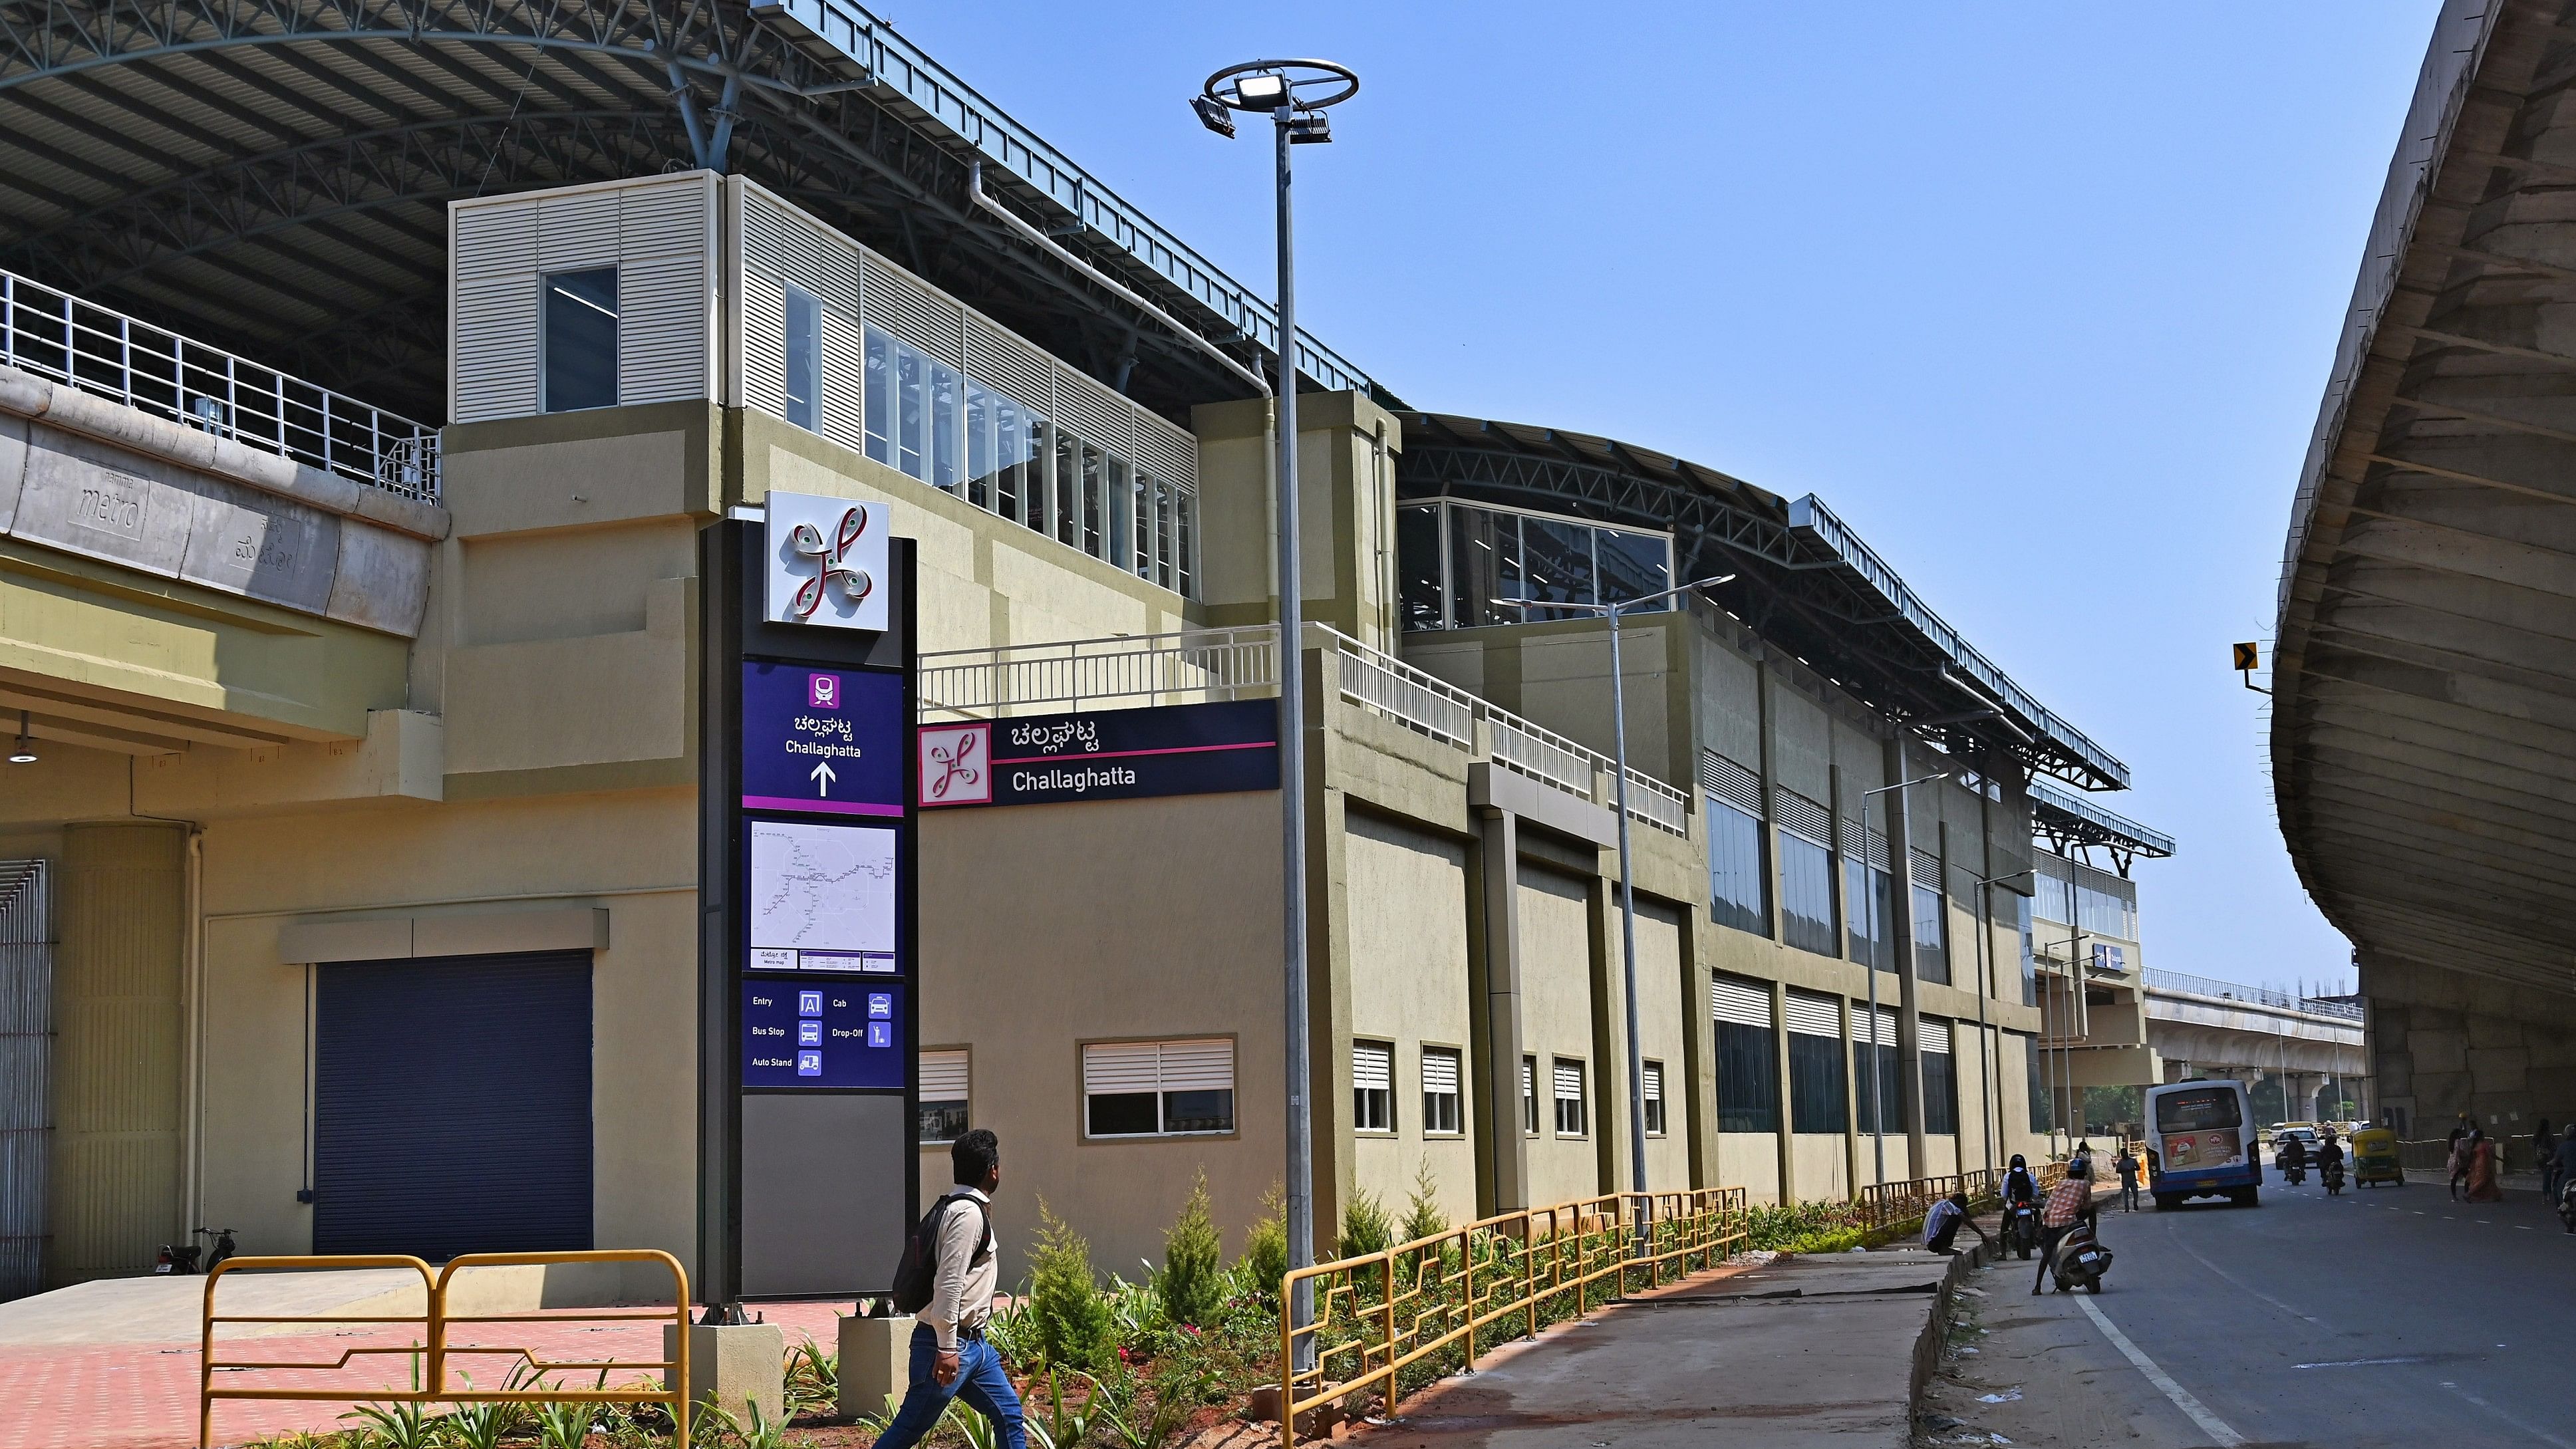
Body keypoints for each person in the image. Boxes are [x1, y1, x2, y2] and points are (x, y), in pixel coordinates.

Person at [872, 1128, 1026, 1449]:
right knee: (908, 1430)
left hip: (977, 1348)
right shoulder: (967, 1214)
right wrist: (947, 1348)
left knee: (1009, 1414)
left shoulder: (962, 1207)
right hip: (948, 1348)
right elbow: (949, 1283)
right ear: (991, 1170)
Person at [2033, 1160, 2094, 1294]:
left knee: (2047, 1255)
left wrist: (2044, 1224)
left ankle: (2038, 1287)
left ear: (2069, 1173)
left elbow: (2050, 1203)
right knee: (2093, 1210)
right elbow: (2087, 1206)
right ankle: (2093, 1235)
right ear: (2084, 1173)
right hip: (2070, 1223)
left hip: (2053, 1223)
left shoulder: (2061, 1183)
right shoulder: (2085, 1184)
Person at [1923, 1190, 1991, 1256]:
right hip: (1934, 1243)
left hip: (1931, 1242)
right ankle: (1944, 1248)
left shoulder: (1941, 1203)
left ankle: (1944, 1247)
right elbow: (1966, 1220)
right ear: (1958, 1202)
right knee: (1957, 1217)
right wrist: (1982, 1235)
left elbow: (1967, 1217)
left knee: (1958, 1215)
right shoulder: (1948, 1205)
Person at [2465, 1130, 2504, 1204]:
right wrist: (2500, 1159)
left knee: (2490, 1179)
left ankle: (2496, 1195)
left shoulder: (2475, 1145)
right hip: (2484, 1164)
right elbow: (2491, 1154)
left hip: (2477, 1164)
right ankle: (2469, 1194)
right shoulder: (2484, 1144)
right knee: (2483, 1180)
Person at [2115, 1144, 2142, 1212]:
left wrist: (2133, 1169)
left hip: (2133, 1179)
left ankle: (2135, 1204)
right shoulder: (2120, 1163)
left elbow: (2138, 1168)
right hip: (2125, 1180)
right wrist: (2124, 1170)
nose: (2125, 1154)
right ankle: (2127, 1207)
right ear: (2121, 1154)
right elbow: (2117, 1171)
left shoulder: (2133, 1161)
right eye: (2123, 1153)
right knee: (2125, 1194)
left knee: (2135, 1193)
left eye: (2125, 1153)